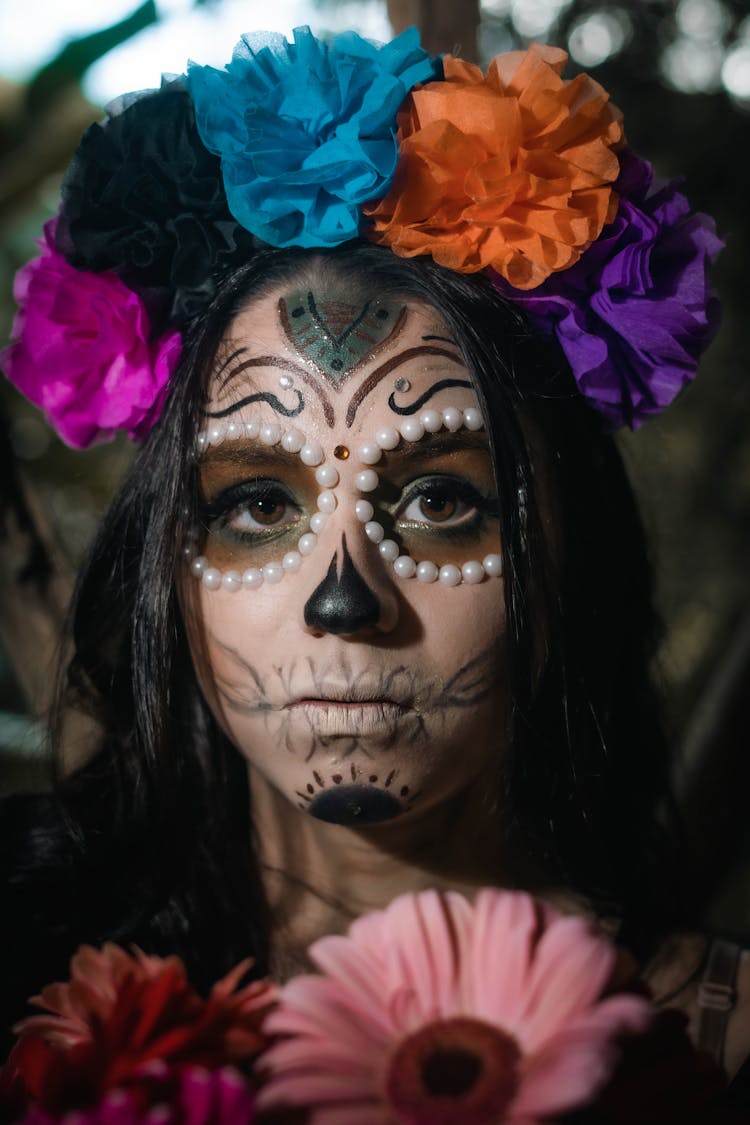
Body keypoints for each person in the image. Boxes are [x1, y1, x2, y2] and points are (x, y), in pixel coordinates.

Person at [2, 24, 747, 1085]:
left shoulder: (709, 1047)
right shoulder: (27, 954)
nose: (342, 600)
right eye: (257, 502)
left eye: (443, 497)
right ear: (165, 563)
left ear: (572, 546)